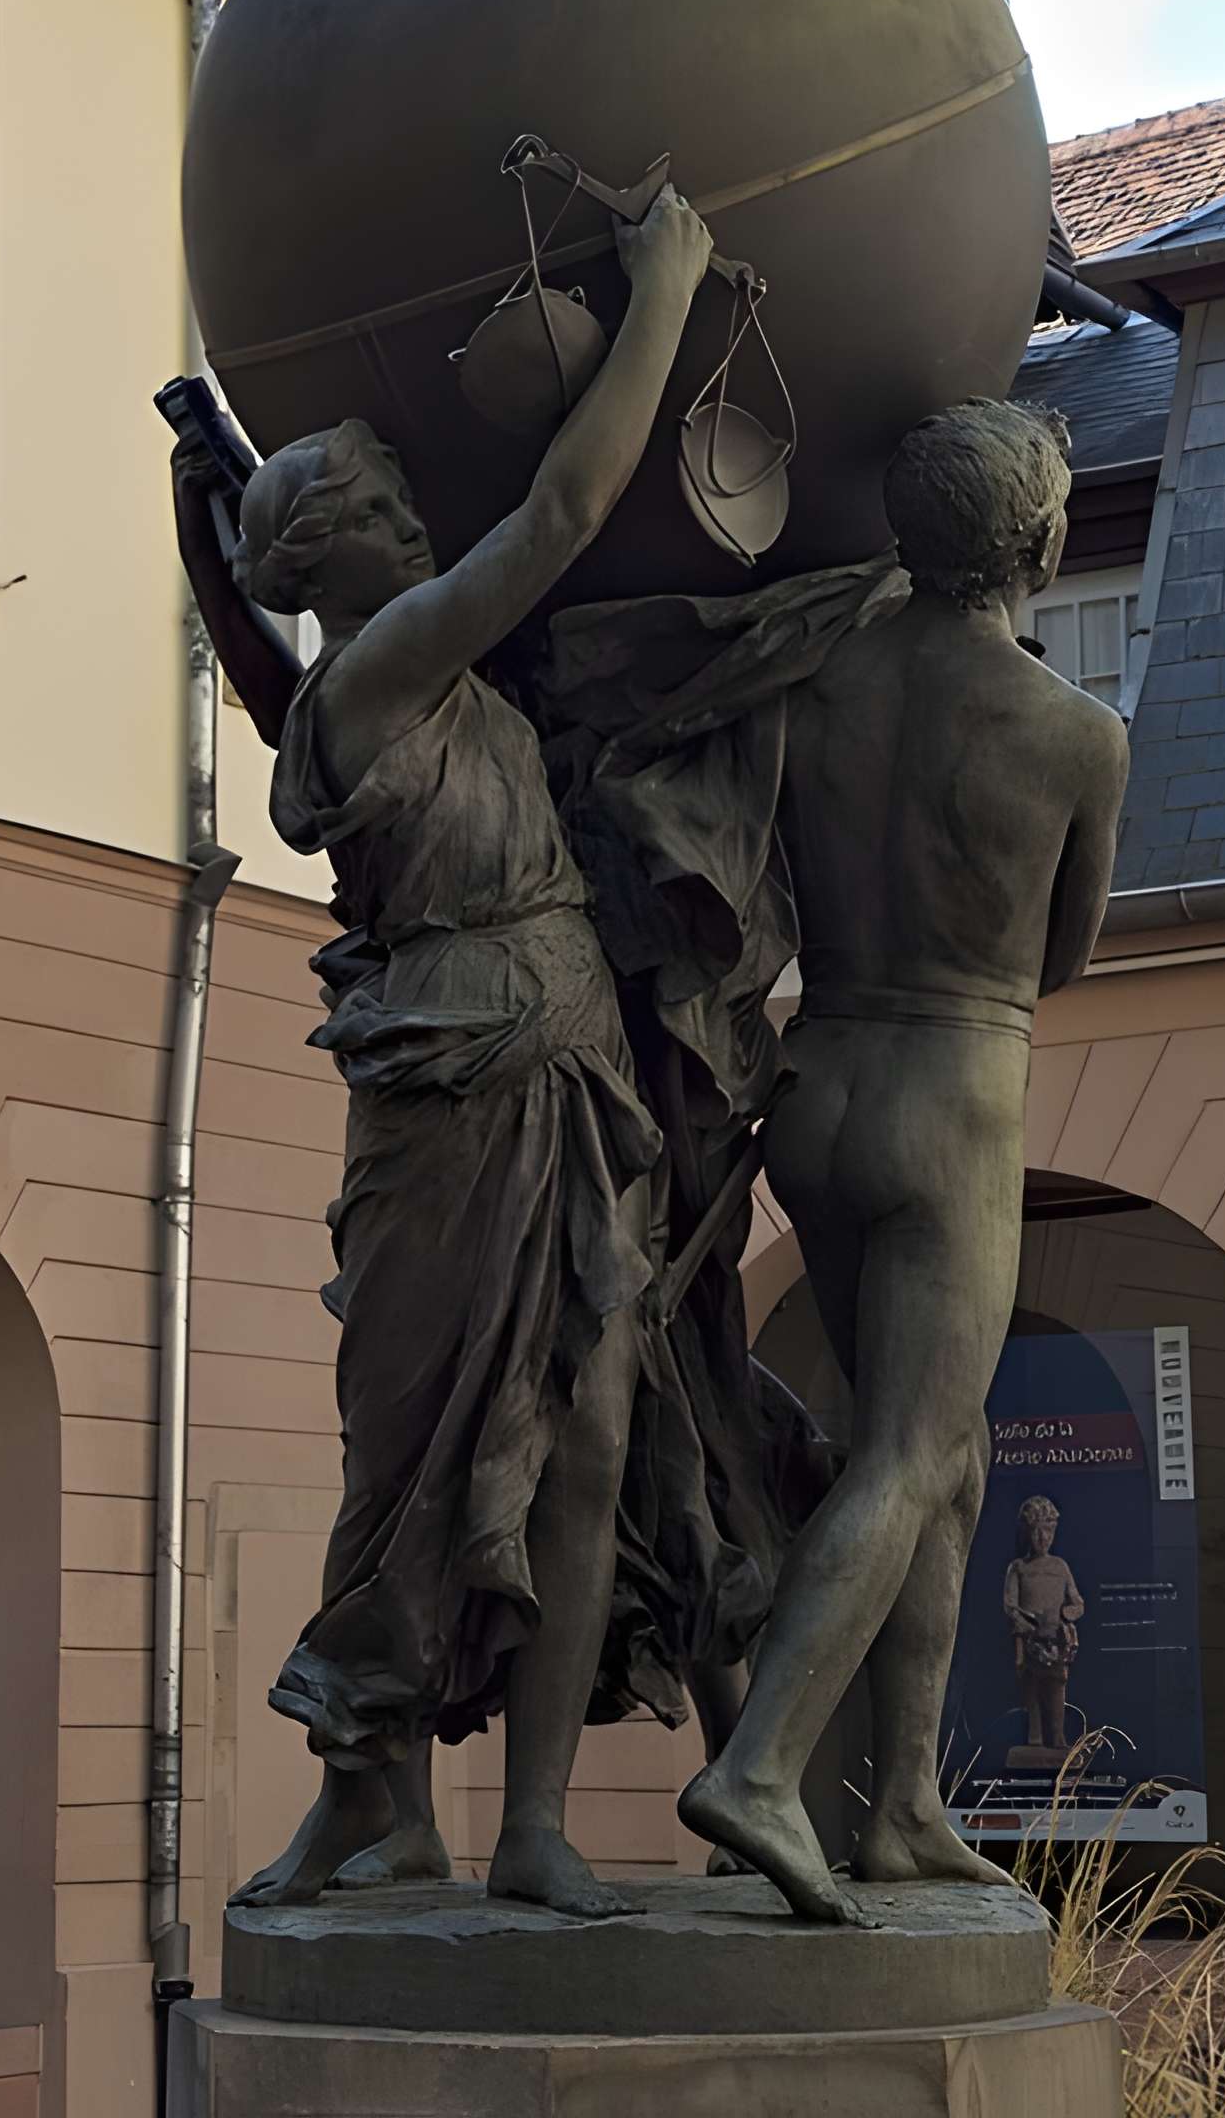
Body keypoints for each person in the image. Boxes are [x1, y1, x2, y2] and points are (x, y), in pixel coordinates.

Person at [229, 185, 713, 1920]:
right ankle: (372, 1797)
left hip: (561, 1049)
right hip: (453, 1081)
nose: (416, 515)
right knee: (414, 1443)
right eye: (378, 504)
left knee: (581, 1430)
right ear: (323, 564)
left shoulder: (386, 675)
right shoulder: (380, 671)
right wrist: (665, 288)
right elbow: (568, 505)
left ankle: (528, 1825)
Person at [679, 398, 1127, 1923]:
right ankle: (760, 1769)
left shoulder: (816, 684)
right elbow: (1060, 958)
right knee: (918, 1450)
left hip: (819, 1080)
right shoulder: (1077, 733)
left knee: (946, 1445)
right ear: (1045, 544)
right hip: (955, 1094)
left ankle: (911, 1805)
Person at [1005, 1494, 1084, 1756]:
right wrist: (1023, 1623)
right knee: (1031, 1694)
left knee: (1057, 1692)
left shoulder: (1060, 1567)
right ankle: (1035, 1738)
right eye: (1036, 1532)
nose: (1042, 1538)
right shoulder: (1018, 1568)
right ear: (1027, 1533)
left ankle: (1058, 1736)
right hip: (1028, 1643)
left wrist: (1067, 1614)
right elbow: (1009, 1605)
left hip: (1056, 1643)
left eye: (1047, 1532)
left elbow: (1078, 1602)